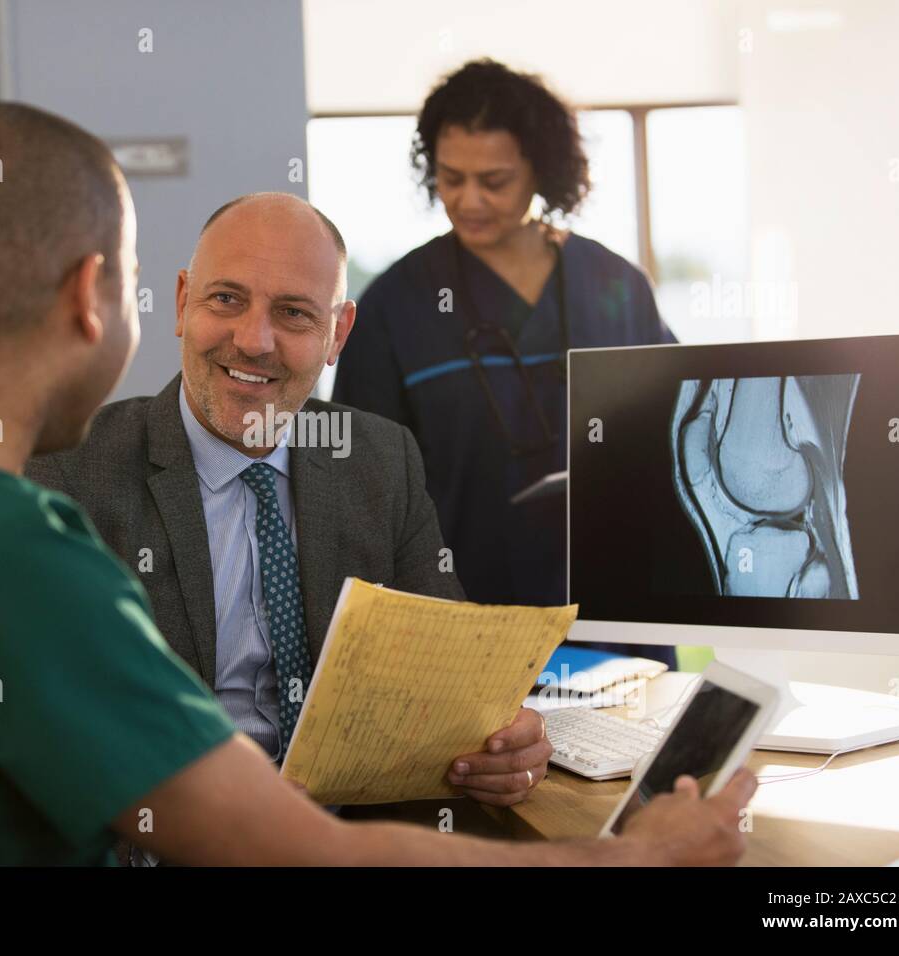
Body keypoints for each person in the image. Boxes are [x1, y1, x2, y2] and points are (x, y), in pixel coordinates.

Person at [0, 102, 751, 865]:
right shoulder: (9, 542)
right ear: (102, 294)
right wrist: (638, 856)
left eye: (295, 313)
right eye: (167, 291)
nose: (252, 339)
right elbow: (291, 852)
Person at [29, 192, 548, 827]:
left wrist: (502, 740)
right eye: (226, 300)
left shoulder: (381, 457)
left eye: (295, 314)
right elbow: (41, 727)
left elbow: (451, 682)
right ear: (181, 301)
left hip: (351, 834)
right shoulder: (69, 471)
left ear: (339, 334)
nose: (254, 341)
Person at [333, 59, 677, 666]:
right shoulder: (396, 305)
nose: (468, 201)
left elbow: (676, 429)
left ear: (541, 171)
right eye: (450, 178)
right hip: (465, 626)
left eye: (494, 181)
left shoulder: (613, 284)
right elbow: (362, 492)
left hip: (616, 612)